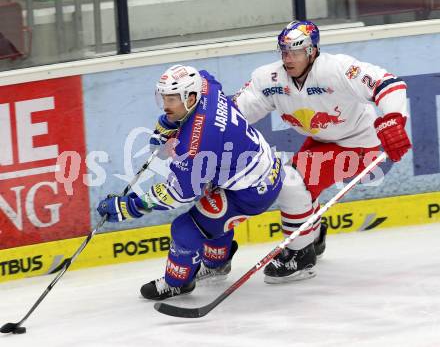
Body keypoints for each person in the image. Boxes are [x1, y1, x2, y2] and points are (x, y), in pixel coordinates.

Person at [232, 20, 412, 284]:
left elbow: (388, 83)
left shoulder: (336, 69)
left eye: (295, 51)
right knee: (301, 188)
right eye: (284, 51)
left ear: (312, 51)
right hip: (321, 140)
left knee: (292, 184)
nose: (288, 58)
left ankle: (300, 255)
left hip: (358, 144)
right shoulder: (268, 78)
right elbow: (236, 113)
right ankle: (312, 237)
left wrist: (394, 119)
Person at [97, 64, 283, 300]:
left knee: (185, 229)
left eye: (172, 100)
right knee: (212, 213)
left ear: (191, 98)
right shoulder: (205, 88)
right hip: (256, 166)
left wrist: (129, 206)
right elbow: (206, 74)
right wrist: (167, 125)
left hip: (252, 191)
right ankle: (217, 263)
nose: (166, 106)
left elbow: (178, 194)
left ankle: (178, 282)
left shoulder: (194, 146)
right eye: (164, 98)